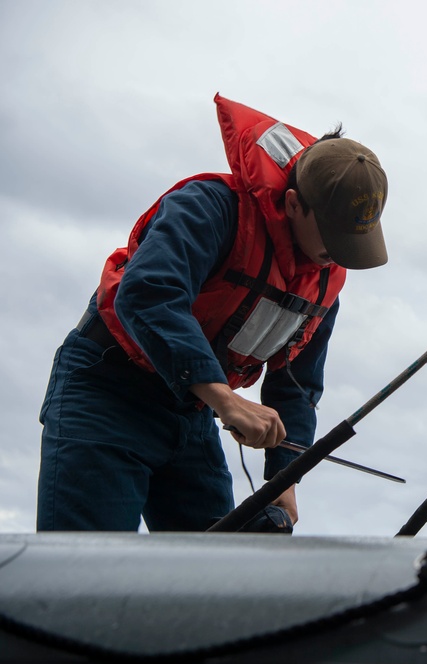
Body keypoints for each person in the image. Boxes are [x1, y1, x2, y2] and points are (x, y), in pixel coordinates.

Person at [36, 95, 389, 532]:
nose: (338, 256)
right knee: (85, 574)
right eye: (332, 237)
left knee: (215, 569)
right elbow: (147, 294)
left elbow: (296, 380)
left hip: (191, 412)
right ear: (294, 203)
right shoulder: (211, 207)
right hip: (108, 390)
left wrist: (286, 474)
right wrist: (224, 399)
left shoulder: (325, 275)